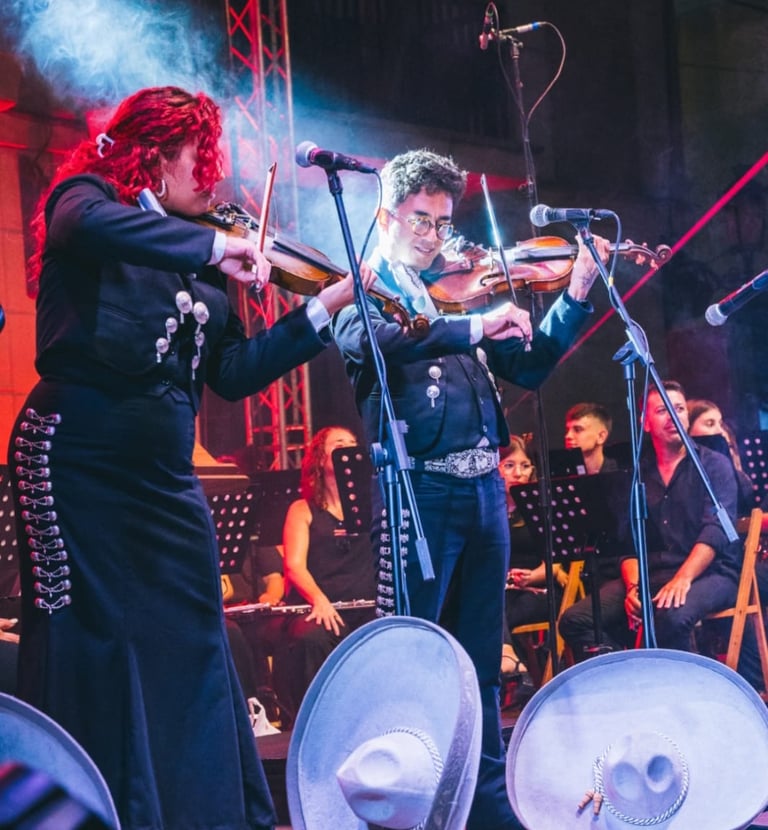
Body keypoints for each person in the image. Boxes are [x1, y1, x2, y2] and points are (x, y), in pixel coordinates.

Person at [7, 85, 372, 830]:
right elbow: (84, 222)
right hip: (76, 456)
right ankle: (86, 810)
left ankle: (196, 810)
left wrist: (320, 309)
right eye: (200, 156)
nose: (214, 175)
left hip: (162, 476)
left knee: (194, 634)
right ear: (155, 154)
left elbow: (232, 374)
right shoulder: (90, 202)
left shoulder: (205, 254)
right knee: (91, 635)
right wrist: (216, 245)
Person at [332, 148, 608, 830]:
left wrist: (573, 295)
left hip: (484, 496)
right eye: (421, 221)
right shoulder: (368, 289)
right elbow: (374, 345)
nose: (436, 237)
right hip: (417, 496)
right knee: (413, 658)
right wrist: (474, 323)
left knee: (481, 663)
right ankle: (410, 803)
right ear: (386, 218)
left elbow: (534, 365)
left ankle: (483, 804)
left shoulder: (460, 291)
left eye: (443, 222)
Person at [559, 381, 740, 659]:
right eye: (662, 410)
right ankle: (626, 675)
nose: (673, 415)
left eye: (678, 408)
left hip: (711, 573)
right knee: (576, 620)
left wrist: (683, 578)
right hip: (652, 575)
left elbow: (714, 531)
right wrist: (634, 587)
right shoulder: (636, 475)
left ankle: (681, 694)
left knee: (671, 614)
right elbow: (629, 541)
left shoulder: (714, 465)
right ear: (645, 423)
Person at [271, 426, 377, 725]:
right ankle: (316, 724)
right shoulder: (302, 509)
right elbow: (293, 566)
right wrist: (320, 600)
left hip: (365, 607)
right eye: (339, 443)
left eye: (353, 443)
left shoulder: (373, 506)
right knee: (312, 637)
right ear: (319, 458)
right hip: (318, 607)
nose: (349, 448)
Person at [687, 397, 756, 513]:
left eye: (720, 423)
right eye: (710, 424)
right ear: (687, 428)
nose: (720, 431)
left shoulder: (740, 479)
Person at [563, 401, 618, 474]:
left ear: (601, 436)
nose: (568, 436)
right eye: (567, 430)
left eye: (578, 429)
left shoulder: (619, 475)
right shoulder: (559, 474)